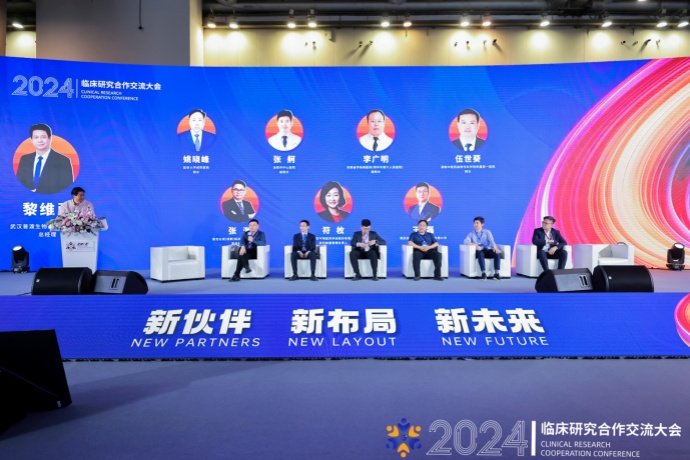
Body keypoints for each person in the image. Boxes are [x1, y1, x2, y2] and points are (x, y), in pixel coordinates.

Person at [16, 123, 74, 194]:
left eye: (43, 137)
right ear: (31, 140)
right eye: (36, 137)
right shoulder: (25, 159)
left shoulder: (63, 161)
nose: (40, 140)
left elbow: (67, 189)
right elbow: (18, 184)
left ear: (50, 138)